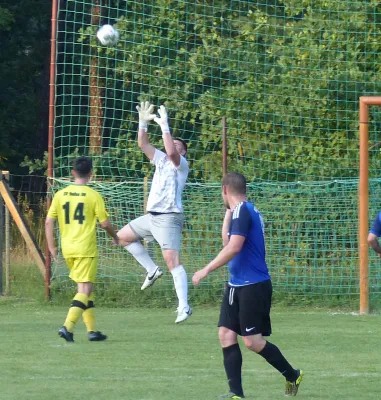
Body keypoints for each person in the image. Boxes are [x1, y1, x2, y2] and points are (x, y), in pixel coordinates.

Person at [192, 172, 303, 398]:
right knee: (225, 335)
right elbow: (227, 242)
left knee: (252, 342)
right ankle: (236, 394)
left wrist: (206, 269)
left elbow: (234, 248)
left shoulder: (244, 210)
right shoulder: (240, 212)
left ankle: (292, 374)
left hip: (253, 285)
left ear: (224, 190)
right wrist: (227, 213)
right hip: (236, 285)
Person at [117, 101, 191, 324]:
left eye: (179, 145)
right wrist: (142, 123)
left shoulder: (181, 163)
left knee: (173, 262)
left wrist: (165, 125)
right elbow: (143, 144)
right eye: (173, 143)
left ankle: (184, 307)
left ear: (184, 151)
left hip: (169, 217)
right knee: (120, 237)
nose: (174, 146)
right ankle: (151, 270)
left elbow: (170, 151)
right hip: (152, 217)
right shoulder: (160, 160)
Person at [45, 156, 119, 342]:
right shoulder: (93, 195)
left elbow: (48, 221)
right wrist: (116, 237)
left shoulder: (60, 194)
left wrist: (52, 247)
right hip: (85, 248)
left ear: (72, 173)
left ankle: (92, 331)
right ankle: (67, 327)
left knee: (86, 288)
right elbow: (105, 223)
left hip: (68, 248)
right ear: (91, 174)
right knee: (85, 288)